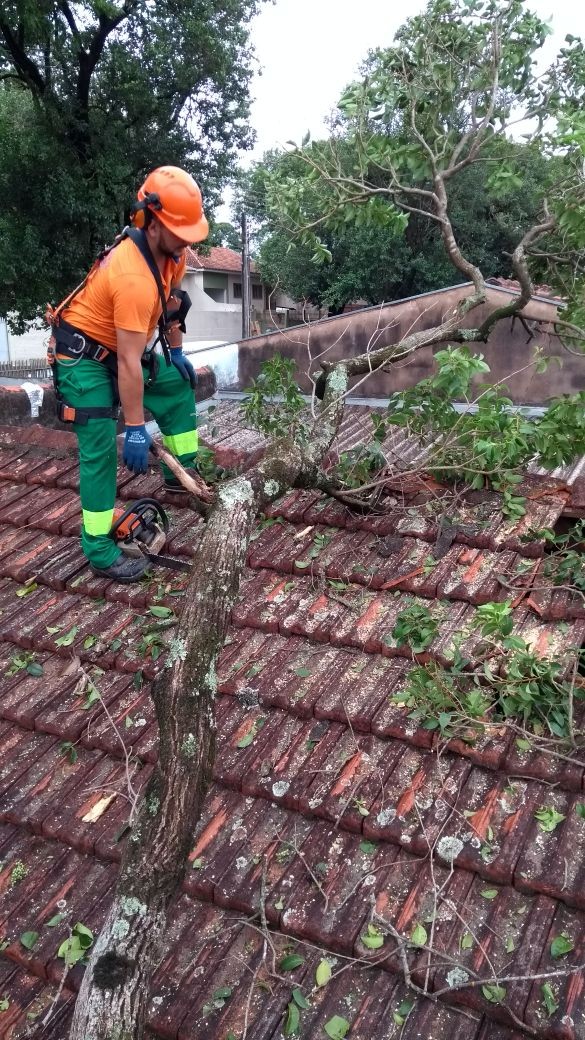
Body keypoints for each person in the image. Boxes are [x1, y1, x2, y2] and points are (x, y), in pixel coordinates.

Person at [47, 165, 208, 583]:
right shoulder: (132, 274)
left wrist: (176, 350)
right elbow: (128, 364)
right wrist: (135, 427)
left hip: (120, 353)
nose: (188, 242)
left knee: (176, 383)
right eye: (180, 231)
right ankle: (99, 548)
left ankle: (182, 475)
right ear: (152, 222)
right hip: (83, 359)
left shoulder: (173, 255)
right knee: (100, 447)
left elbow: (171, 303)